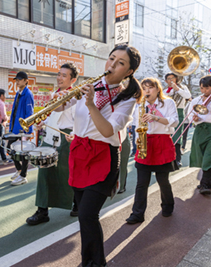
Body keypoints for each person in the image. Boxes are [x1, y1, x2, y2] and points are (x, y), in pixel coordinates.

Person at [57, 45, 142, 267]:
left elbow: (107, 131)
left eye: (120, 63)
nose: (112, 65)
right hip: (79, 153)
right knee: (84, 215)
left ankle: (95, 263)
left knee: (87, 214)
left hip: (103, 156)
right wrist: (59, 101)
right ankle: (89, 260)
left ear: (129, 72)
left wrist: (91, 104)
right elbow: (63, 110)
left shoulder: (128, 99)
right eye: (111, 58)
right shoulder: (90, 86)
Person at [26, 62, 78, 226]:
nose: (59, 78)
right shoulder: (55, 94)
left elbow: (79, 119)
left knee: (69, 173)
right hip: (49, 136)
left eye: (64, 75)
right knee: (44, 172)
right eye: (59, 74)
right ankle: (42, 210)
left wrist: (75, 135)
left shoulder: (76, 96)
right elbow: (52, 115)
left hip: (66, 137)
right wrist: (43, 123)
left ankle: (77, 203)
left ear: (73, 80)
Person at [126, 78, 179, 224]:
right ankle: (137, 213)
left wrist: (156, 117)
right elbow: (137, 125)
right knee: (141, 183)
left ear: (157, 88)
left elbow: (175, 121)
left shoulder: (168, 102)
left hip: (162, 142)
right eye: (144, 88)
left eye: (150, 88)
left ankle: (168, 205)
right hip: (145, 142)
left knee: (163, 181)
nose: (147, 91)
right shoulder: (140, 105)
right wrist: (137, 141)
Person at [7, 71, 34, 186]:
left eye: (19, 79)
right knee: (10, 148)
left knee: (24, 152)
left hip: (23, 129)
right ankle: (19, 170)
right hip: (15, 128)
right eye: (16, 80)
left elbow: (30, 113)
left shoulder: (28, 94)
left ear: (25, 80)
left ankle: (23, 175)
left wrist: (29, 130)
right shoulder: (18, 93)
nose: (17, 82)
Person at [164, 73, 191, 167]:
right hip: (167, 114)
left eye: (173, 78)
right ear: (166, 81)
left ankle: (177, 159)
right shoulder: (164, 91)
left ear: (176, 79)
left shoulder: (183, 87)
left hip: (179, 112)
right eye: (168, 79)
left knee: (177, 136)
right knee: (167, 136)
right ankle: (167, 158)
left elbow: (188, 96)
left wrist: (177, 89)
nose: (171, 80)